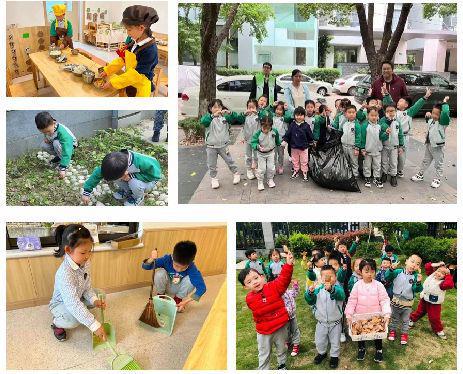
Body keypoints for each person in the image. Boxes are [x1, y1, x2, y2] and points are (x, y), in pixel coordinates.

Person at [238, 250, 294, 370]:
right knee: (264, 353)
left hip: (280, 327)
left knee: (282, 348)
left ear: (262, 277)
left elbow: (283, 279)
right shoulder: (250, 299)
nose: (254, 282)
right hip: (264, 332)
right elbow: (260, 308)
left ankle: (282, 365)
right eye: (249, 282)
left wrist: (288, 265)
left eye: (256, 278)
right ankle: (263, 369)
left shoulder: (273, 287)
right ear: (245, 286)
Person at [49, 224, 107, 342]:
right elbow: (73, 303)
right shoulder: (65, 273)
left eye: (89, 251)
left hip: (77, 297)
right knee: (73, 320)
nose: (87, 256)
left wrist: (94, 300)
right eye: (83, 252)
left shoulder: (85, 263)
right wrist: (94, 325)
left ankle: (81, 313)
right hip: (61, 304)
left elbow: (87, 287)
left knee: (99, 294)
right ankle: (57, 323)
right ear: (68, 250)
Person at [100, 5, 159, 97]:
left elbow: (136, 74)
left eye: (129, 29)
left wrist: (113, 83)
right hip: (129, 82)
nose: (128, 33)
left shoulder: (150, 51)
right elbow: (122, 60)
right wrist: (107, 70)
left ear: (141, 28)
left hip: (141, 89)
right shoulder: (133, 43)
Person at [345, 259, 391, 363]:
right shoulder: (357, 285)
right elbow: (352, 301)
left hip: (376, 316)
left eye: (372, 271)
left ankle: (379, 349)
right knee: (360, 334)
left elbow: (384, 300)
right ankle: (361, 348)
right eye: (366, 271)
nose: (370, 274)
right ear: (360, 272)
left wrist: (387, 313)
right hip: (360, 316)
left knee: (377, 334)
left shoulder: (379, 285)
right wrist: (349, 314)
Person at [82, 149, 162, 206]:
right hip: (128, 174)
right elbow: (97, 174)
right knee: (116, 176)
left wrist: (132, 176)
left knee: (134, 183)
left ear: (125, 172)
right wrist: (86, 192)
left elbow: (155, 175)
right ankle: (128, 191)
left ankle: (137, 197)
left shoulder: (142, 162)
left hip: (150, 179)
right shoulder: (113, 163)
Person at [141, 242, 206, 312]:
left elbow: (202, 288)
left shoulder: (192, 267)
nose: (179, 270)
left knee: (191, 281)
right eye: (176, 265)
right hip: (166, 286)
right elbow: (145, 266)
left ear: (190, 263)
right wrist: (151, 259)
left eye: (183, 268)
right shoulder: (167, 259)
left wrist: (186, 302)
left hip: (179, 289)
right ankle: (161, 296)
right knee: (160, 273)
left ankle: (178, 299)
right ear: (172, 257)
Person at [382, 87, 432, 177]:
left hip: (404, 137)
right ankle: (391, 169)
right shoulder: (394, 111)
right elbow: (389, 102)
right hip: (393, 135)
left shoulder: (409, 112)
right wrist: (386, 94)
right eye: (399, 101)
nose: (398, 102)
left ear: (406, 105)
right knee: (392, 153)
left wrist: (425, 97)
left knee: (401, 155)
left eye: (401, 101)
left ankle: (399, 170)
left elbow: (417, 105)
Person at [305, 265, 346, 369]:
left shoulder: (338, 288)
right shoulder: (318, 289)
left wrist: (331, 289)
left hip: (335, 322)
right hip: (321, 322)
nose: (328, 278)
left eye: (331, 276)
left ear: (335, 277)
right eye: (325, 276)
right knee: (320, 340)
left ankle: (334, 356)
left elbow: (341, 296)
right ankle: (322, 353)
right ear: (321, 278)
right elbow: (310, 301)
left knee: (335, 341)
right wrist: (309, 293)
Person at [200, 99, 241, 189]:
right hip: (211, 146)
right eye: (215, 107)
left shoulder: (225, 117)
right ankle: (214, 178)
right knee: (212, 164)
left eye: (219, 106)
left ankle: (236, 173)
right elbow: (203, 122)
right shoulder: (208, 118)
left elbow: (236, 118)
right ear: (210, 108)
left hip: (223, 145)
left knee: (229, 160)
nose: (217, 109)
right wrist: (212, 116)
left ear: (222, 107)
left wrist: (229, 112)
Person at [411, 96, 451, 188]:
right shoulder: (432, 120)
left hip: (438, 146)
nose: (434, 116)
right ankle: (420, 174)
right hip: (429, 144)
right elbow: (428, 121)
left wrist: (444, 102)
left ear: (442, 115)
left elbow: (445, 112)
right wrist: (427, 115)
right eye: (433, 113)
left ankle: (437, 179)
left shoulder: (443, 122)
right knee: (425, 161)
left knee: (438, 163)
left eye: (437, 114)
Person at [409, 262, 454, 339]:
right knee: (419, 311)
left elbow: (449, 285)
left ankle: (438, 330)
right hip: (425, 298)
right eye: (438, 271)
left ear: (445, 276)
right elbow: (427, 266)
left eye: (442, 273)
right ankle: (411, 320)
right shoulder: (432, 275)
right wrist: (437, 264)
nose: (439, 273)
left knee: (434, 317)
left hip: (434, 303)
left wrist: (448, 275)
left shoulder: (442, 283)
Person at [385, 254, 423, 345]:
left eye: (417, 264)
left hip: (407, 304)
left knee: (406, 320)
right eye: (412, 261)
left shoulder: (415, 276)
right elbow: (387, 277)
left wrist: (418, 282)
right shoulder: (398, 272)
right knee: (394, 318)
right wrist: (391, 269)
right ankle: (392, 331)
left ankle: (404, 334)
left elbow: (417, 289)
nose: (414, 265)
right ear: (406, 261)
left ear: (418, 267)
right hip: (395, 302)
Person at [35, 111, 77, 179]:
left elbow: (67, 147)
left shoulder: (62, 132)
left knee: (56, 144)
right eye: (44, 132)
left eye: (48, 131)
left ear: (53, 123)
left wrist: (63, 168)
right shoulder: (47, 127)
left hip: (70, 145)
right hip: (57, 141)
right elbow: (47, 133)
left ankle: (65, 162)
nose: (47, 133)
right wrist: (47, 138)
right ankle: (60, 156)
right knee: (44, 145)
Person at [356, 106, 387, 188]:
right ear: (367, 116)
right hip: (367, 151)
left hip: (377, 151)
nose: (374, 117)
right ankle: (367, 178)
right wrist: (362, 148)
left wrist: (386, 133)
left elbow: (382, 137)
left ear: (378, 116)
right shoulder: (364, 125)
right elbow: (362, 138)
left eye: (375, 115)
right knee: (367, 165)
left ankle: (376, 178)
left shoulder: (380, 126)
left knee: (377, 165)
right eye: (372, 115)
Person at [282, 106, 314, 181]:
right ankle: (296, 170)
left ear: (304, 116)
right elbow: (288, 134)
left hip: (304, 147)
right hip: (294, 147)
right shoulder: (292, 125)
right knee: (295, 160)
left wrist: (311, 142)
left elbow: (310, 135)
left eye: (301, 115)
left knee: (304, 160)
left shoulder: (306, 126)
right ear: (294, 116)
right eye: (297, 115)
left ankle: (304, 171)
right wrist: (285, 141)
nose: (299, 117)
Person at [251, 113, 282, 191]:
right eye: (264, 128)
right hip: (261, 154)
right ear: (261, 125)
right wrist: (257, 146)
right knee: (262, 169)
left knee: (271, 167)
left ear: (271, 126)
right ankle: (260, 181)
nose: (266, 130)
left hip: (271, 153)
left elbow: (277, 139)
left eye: (268, 128)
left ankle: (270, 179)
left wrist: (279, 144)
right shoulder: (257, 133)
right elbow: (253, 142)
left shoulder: (274, 131)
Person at [379, 103, 404, 187]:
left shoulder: (397, 122)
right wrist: (386, 130)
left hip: (394, 147)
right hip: (384, 146)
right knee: (384, 161)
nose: (390, 113)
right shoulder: (382, 121)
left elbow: (400, 135)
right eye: (388, 111)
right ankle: (384, 174)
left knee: (393, 162)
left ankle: (393, 175)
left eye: (392, 111)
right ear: (385, 112)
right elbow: (380, 135)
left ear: (396, 111)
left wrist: (401, 146)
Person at [338, 105, 362, 178]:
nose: (351, 114)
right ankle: (347, 175)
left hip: (353, 147)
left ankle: (355, 176)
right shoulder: (344, 124)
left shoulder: (357, 125)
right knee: (345, 161)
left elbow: (358, 137)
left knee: (354, 162)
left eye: (353, 112)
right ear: (345, 114)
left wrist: (357, 148)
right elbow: (341, 133)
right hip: (344, 146)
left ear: (356, 113)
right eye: (349, 112)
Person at [239, 99, 260, 180]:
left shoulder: (258, 116)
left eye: (253, 107)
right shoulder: (245, 116)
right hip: (248, 139)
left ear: (256, 107)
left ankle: (257, 169)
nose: (251, 109)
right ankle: (249, 169)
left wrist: (257, 113)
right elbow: (238, 119)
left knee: (257, 155)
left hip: (256, 140)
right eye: (249, 107)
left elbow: (263, 120)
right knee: (248, 156)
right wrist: (243, 114)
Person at [272, 101, 292, 174]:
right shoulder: (273, 116)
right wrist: (272, 106)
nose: (278, 111)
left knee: (281, 155)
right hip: (273, 139)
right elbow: (267, 112)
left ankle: (280, 166)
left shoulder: (284, 118)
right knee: (273, 155)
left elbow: (289, 117)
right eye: (277, 109)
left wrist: (286, 110)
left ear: (283, 111)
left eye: (280, 110)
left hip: (281, 140)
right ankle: (273, 167)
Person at [283, 279, 301, 356]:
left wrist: (296, 286)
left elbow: (295, 293)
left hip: (292, 316)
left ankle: (296, 344)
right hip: (284, 318)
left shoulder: (289, 292)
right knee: (285, 331)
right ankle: (287, 341)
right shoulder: (278, 294)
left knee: (295, 330)